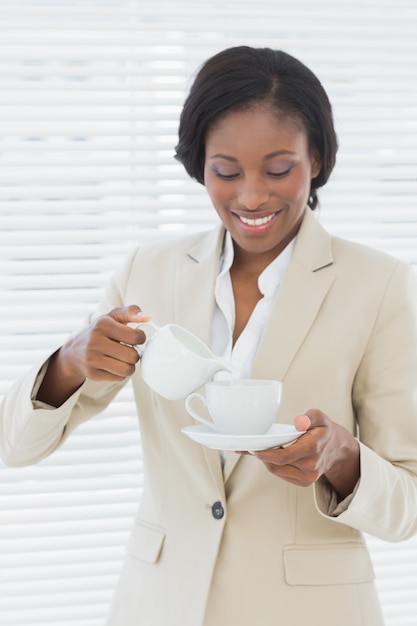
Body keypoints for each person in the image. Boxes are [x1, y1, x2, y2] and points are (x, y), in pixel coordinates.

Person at [1, 45, 417, 626]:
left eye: (278, 170)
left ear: (316, 159)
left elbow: (407, 505)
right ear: (199, 165)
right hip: (159, 606)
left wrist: (343, 459)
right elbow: (13, 447)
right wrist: (69, 363)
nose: (251, 197)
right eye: (226, 172)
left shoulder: (379, 284)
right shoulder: (147, 272)